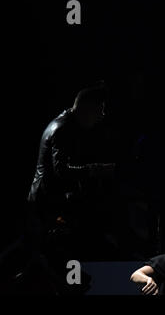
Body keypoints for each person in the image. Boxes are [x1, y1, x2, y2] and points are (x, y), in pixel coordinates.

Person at [27, 81, 117, 264]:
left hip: (48, 201)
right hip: (47, 205)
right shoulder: (63, 129)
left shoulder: (66, 124)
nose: (102, 115)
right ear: (88, 109)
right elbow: (60, 170)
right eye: (100, 110)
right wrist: (96, 170)